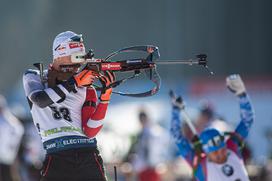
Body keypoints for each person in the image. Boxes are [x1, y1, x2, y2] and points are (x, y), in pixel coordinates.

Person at [23, 31, 115, 181]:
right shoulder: (34, 76)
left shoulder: (86, 87)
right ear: (59, 54)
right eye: (75, 57)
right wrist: (75, 83)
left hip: (88, 156)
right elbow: (40, 100)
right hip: (57, 157)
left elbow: (90, 131)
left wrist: (105, 98)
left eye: (81, 58)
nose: (78, 64)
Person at [170, 74, 254, 181]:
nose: (221, 155)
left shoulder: (232, 147)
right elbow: (178, 138)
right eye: (215, 152)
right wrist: (175, 112)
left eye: (222, 149)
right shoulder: (201, 165)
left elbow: (247, 120)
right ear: (207, 153)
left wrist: (242, 95)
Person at [0, 95, 24, 181]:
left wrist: (11, 148)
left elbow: (18, 131)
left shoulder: (6, 119)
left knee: (8, 175)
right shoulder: (10, 119)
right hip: (9, 154)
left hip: (6, 155)